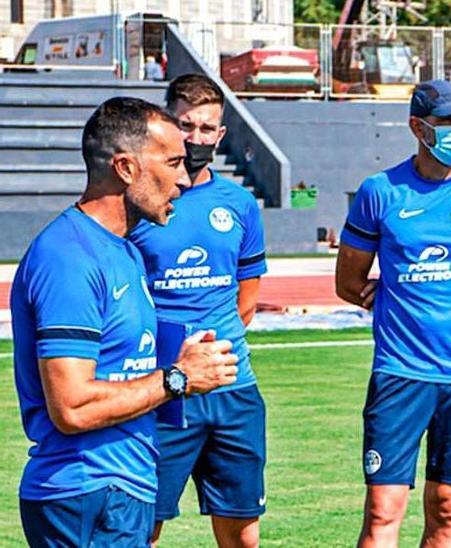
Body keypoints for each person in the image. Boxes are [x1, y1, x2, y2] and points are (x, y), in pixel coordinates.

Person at [12, 96, 238, 546]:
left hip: (121, 488)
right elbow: (72, 407)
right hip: (85, 492)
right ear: (126, 168)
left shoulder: (125, 249)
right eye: (172, 161)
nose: (182, 178)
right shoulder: (69, 258)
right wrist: (178, 379)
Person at [335, 80, 451, 548]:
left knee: (447, 510)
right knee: (382, 512)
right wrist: (393, 292)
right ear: (418, 128)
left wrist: (443, 285)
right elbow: (348, 283)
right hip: (400, 373)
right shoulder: (380, 192)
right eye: (447, 123)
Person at [128, 74, 269, 548]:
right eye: (186, 126)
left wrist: (213, 355)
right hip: (162, 391)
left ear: (221, 135)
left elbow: (245, 302)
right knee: (143, 529)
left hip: (233, 387)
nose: (197, 139)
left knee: (242, 535)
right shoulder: (139, 204)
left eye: (208, 129)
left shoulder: (240, 203)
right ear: (167, 126)